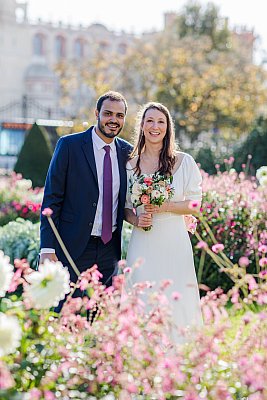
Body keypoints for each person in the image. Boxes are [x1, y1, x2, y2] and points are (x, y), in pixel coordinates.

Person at [40, 91, 133, 302]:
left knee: (101, 314)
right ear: (97, 113)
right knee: (66, 311)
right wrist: (47, 248)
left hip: (110, 250)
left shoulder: (127, 153)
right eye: (108, 113)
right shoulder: (69, 146)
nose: (114, 120)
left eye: (119, 116)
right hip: (73, 245)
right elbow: (51, 199)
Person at [124, 102, 203, 336]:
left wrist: (164, 206)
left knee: (177, 298)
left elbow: (195, 205)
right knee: (141, 295)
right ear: (142, 126)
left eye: (161, 121)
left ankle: (180, 356)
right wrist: (137, 220)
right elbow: (126, 208)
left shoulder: (184, 162)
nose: (155, 126)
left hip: (174, 241)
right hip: (143, 242)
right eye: (149, 121)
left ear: (168, 127)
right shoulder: (130, 165)